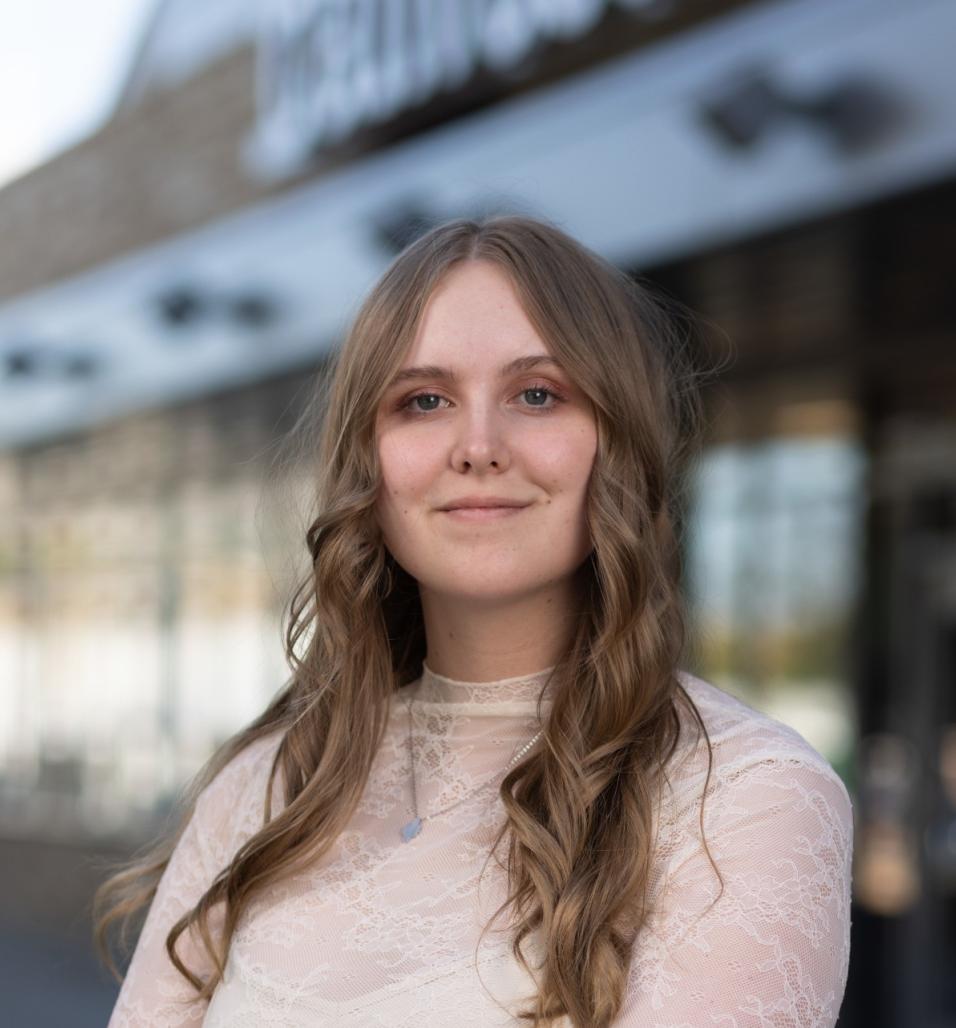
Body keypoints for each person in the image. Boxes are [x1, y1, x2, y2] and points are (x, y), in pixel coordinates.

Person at [94, 214, 853, 1027]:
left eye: (537, 394)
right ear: (368, 460)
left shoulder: (747, 798)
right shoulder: (271, 787)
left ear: (617, 439)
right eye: (423, 401)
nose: (479, 445)